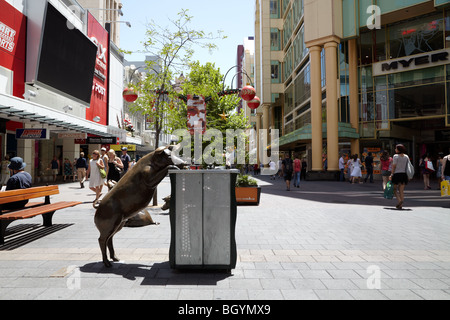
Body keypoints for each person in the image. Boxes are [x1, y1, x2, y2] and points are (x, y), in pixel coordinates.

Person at [389, 144, 410, 210]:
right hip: (403, 174)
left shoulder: (395, 156)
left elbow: (394, 166)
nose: (395, 149)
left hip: (396, 174)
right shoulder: (406, 156)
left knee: (394, 189)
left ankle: (400, 201)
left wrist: (391, 174)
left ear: (399, 150)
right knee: (401, 190)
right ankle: (401, 204)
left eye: (396, 148)